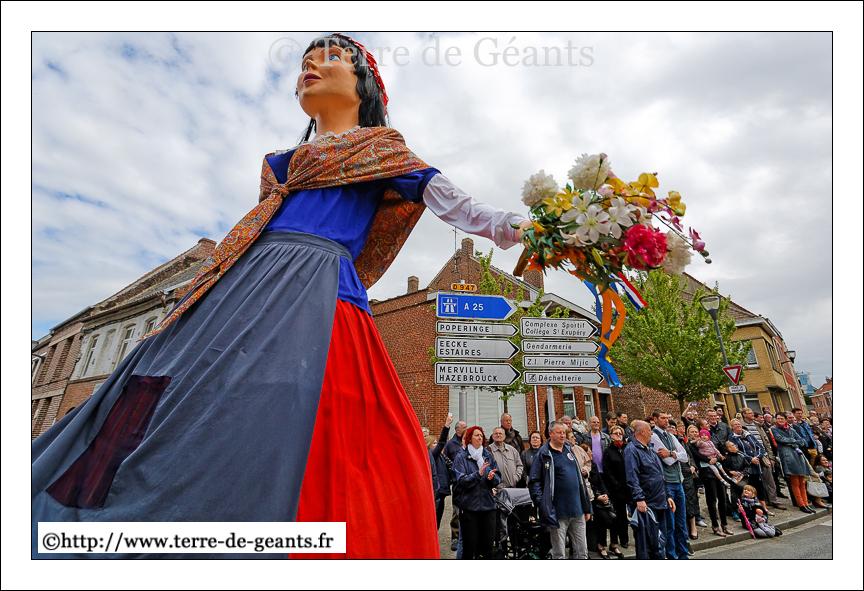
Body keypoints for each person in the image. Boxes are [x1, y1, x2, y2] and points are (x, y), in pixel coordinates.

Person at [31, 34, 536, 559]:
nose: (312, 66)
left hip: (321, 292)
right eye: (305, 61)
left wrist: (520, 227)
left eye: (332, 57)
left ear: (364, 84)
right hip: (241, 289)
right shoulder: (281, 165)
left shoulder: (382, 150)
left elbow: (455, 203)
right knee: (172, 390)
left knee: (340, 426)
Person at [529, 421, 592, 559]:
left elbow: (580, 481)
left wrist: (586, 507)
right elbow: (534, 481)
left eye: (564, 432)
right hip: (557, 513)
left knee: (582, 552)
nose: (563, 435)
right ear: (550, 434)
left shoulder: (569, 450)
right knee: (559, 554)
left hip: (577, 511)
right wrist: (542, 503)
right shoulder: (543, 454)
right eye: (559, 433)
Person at [625, 420, 675, 560]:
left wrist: (667, 495)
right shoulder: (632, 450)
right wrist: (639, 498)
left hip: (660, 501)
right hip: (648, 503)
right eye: (649, 431)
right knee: (648, 543)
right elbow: (632, 476)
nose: (651, 433)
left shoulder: (650, 449)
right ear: (642, 432)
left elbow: (660, 475)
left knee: (660, 540)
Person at [452, 426, 501, 559]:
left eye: (481, 435)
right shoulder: (461, 457)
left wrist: (492, 478)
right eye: (476, 435)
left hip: (488, 507)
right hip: (469, 508)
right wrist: (477, 474)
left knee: (488, 548)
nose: (480, 438)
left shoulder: (487, 455)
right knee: (469, 548)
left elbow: (497, 476)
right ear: (469, 438)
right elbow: (461, 481)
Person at [649, 410, 688, 559]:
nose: (666, 420)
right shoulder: (654, 436)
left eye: (667, 418)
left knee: (681, 522)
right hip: (668, 483)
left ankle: (683, 554)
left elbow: (685, 457)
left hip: (679, 482)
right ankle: (672, 555)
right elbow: (668, 461)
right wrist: (675, 454)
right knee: (669, 524)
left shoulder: (671, 436)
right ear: (655, 419)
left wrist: (672, 453)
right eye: (663, 418)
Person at [688, 425, 731, 537]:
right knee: (712, 499)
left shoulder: (708, 442)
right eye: (692, 432)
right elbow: (697, 455)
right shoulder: (692, 444)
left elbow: (717, 451)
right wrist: (710, 460)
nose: (695, 434)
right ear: (688, 434)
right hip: (706, 472)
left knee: (722, 498)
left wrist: (717, 458)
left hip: (716, 469)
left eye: (696, 432)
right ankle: (715, 525)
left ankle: (724, 523)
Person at [770, 414, 815, 514]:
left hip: (798, 456)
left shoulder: (791, 430)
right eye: (778, 419)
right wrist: (794, 441)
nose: (780, 420)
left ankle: (806, 503)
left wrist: (791, 442)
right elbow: (780, 439)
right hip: (788, 457)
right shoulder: (774, 429)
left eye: (782, 418)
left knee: (802, 481)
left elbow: (802, 441)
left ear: (785, 420)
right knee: (795, 482)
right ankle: (801, 504)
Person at [742, 408, 786, 510]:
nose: (752, 414)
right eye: (749, 413)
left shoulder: (758, 425)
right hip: (752, 457)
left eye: (752, 412)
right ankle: (759, 501)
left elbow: (766, 442)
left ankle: (774, 500)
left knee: (770, 480)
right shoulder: (742, 426)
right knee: (755, 481)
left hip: (764, 456)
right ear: (744, 415)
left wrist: (771, 456)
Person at [728, 418, 771, 516]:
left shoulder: (749, 435)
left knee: (759, 487)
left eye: (739, 424)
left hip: (756, 465)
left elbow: (760, 447)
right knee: (748, 488)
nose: (738, 426)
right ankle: (749, 509)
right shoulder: (732, 437)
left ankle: (763, 508)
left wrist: (757, 457)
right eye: (735, 424)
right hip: (745, 466)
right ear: (732, 427)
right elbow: (737, 451)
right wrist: (750, 459)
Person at [669, 421, 699, 547]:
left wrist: (693, 466)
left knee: (690, 499)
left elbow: (689, 455)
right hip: (674, 473)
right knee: (678, 503)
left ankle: (693, 527)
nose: (671, 429)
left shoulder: (680, 440)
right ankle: (682, 533)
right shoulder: (663, 441)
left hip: (686, 472)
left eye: (673, 427)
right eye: (669, 427)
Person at [602, 425, 632, 550]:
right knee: (621, 515)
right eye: (616, 433)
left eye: (620, 433)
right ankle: (623, 539)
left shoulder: (628, 448)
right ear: (611, 435)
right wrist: (615, 484)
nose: (618, 435)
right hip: (617, 488)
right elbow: (607, 469)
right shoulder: (608, 451)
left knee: (635, 512)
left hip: (630, 486)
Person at [586, 455, 621, 558]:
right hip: (592, 500)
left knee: (615, 518)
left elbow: (601, 482)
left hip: (601, 498)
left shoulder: (593, 465)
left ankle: (613, 544)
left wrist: (605, 494)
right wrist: (597, 497)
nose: (591, 454)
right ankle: (600, 545)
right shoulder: (582, 468)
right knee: (604, 519)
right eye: (589, 452)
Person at [443, 419, 467, 550]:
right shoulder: (450, 445)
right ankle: (455, 537)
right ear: (458, 430)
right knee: (456, 512)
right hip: (457, 483)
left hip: (470, 482)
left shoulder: (469, 443)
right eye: (464, 427)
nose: (466, 429)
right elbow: (445, 463)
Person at [428, 415, 454, 529]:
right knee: (435, 518)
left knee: (439, 518)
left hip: (442, 490)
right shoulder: (432, 455)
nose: (436, 445)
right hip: (437, 492)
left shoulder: (440, 456)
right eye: (434, 443)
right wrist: (447, 425)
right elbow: (442, 442)